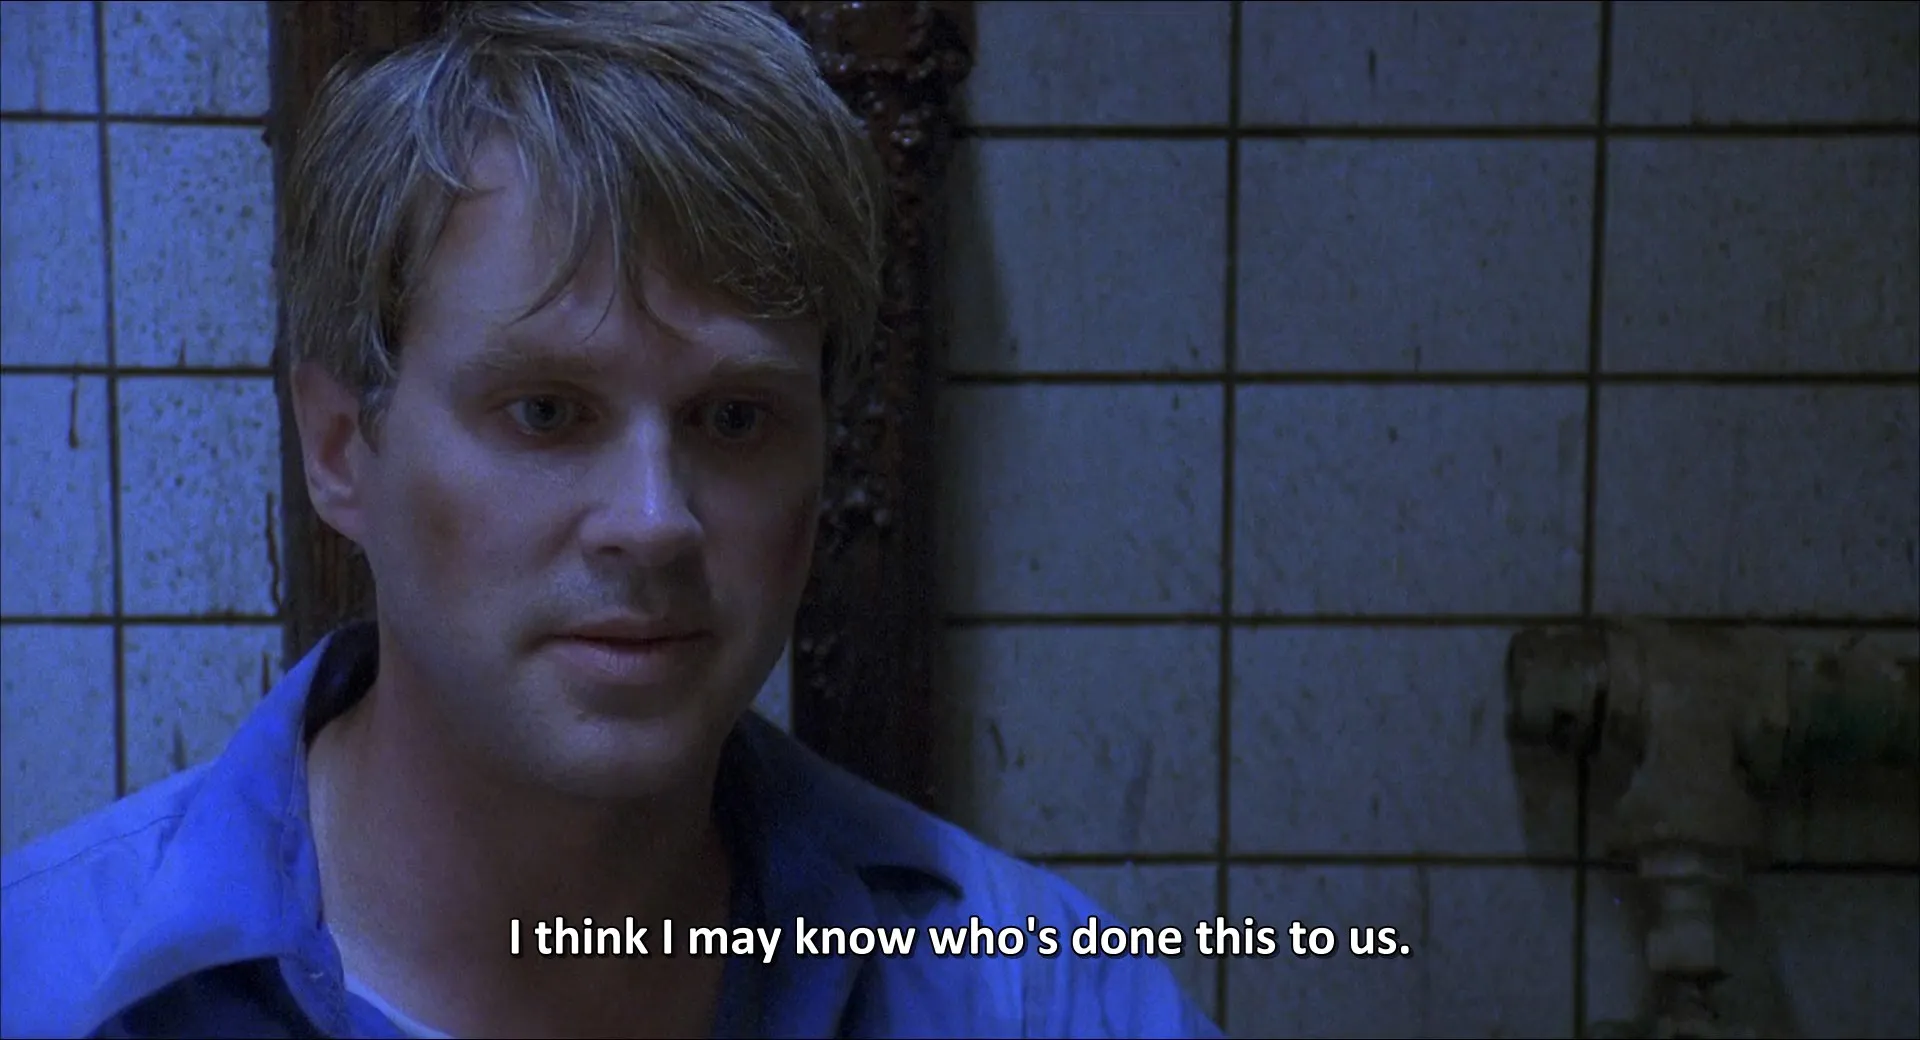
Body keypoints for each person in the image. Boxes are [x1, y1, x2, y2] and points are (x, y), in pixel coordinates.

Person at [0, 3, 1220, 1036]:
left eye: (734, 418)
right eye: (545, 411)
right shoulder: (47, 980)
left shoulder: (1040, 996)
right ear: (338, 449)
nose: (654, 520)